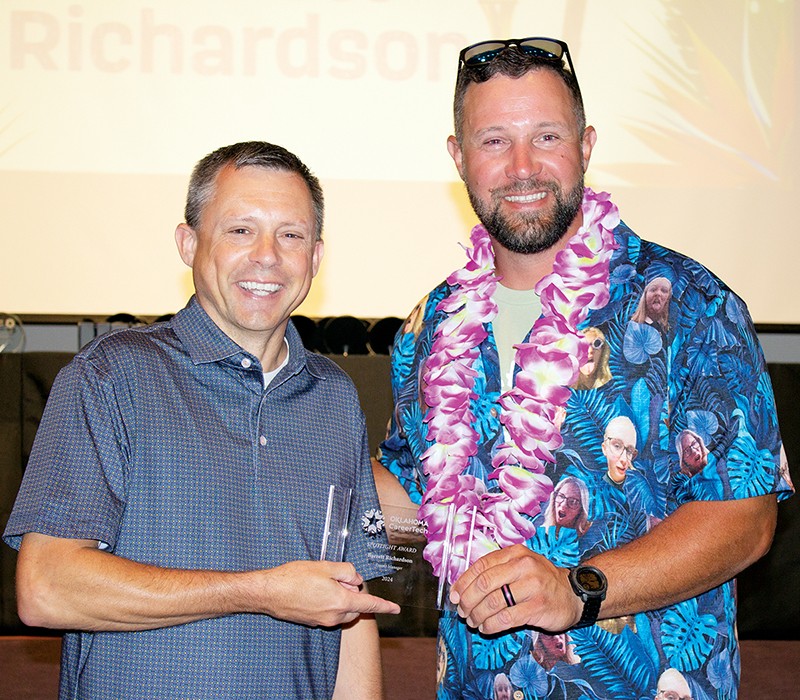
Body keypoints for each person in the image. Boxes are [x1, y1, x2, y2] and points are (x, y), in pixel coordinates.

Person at [376, 36, 792, 699]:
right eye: (492, 142)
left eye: (546, 137)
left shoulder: (691, 302)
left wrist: (579, 590)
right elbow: (408, 488)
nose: (521, 166)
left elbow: (746, 517)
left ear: (587, 144)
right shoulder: (430, 327)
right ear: (458, 157)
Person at [3, 141, 400, 699]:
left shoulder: (333, 397)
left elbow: (350, 606)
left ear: (314, 257)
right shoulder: (112, 378)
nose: (267, 255)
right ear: (188, 244)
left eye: (291, 235)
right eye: (240, 230)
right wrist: (259, 591)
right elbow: (46, 588)